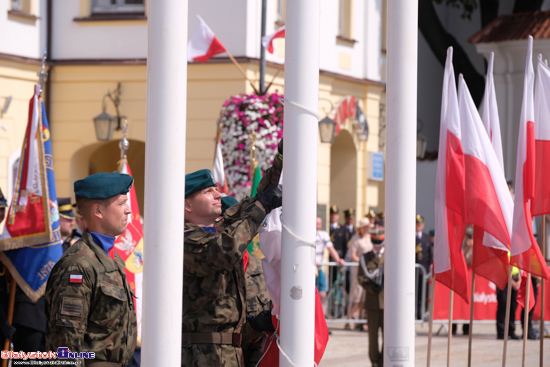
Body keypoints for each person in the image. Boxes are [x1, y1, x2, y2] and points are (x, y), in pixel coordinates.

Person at [182, 141, 282, 367]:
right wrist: (261, 206)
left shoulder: (221, 228)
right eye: (209, 192)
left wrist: (282, 161)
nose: (219, 195)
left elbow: (256, 201)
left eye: (216, 189)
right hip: (200, 355)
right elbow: (222, 250)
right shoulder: (183, 239)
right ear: (187, 205)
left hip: (231, 352)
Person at [45, 172, 137, 365]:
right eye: (121, 204)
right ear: (98, 211)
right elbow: (65, 345)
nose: (128, 210)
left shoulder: (113, 258)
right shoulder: (78, 265)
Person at [358, 235, 385, 367]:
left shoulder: (390, 255)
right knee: (372, 335)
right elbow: (361, 277)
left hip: (387, 302)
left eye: (380, 243)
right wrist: (371, 288)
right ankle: (375, 361)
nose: (378, 245)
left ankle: (384, 361)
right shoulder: (365, 257)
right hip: (372, 300)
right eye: (376, 242)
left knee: (389, 334)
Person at [346, 218, 373, 331]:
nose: (366, 229)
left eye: (367, 227)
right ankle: (348, 320)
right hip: (358, 270)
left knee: (364, 296)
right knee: (355, 295)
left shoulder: (369, 238)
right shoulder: (355, 239)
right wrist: (361, 262)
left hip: (368, 270)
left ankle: (360, 321)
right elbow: (353, 255)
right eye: (364, 227)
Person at [314, 217, 345, 312]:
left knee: (323, 294)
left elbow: (331, 249)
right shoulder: (307, 233)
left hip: (319, 269)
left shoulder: (323, 234)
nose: (318, 225)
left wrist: (338, 259)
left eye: (320, 223)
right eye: (316, 223)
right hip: (310, 269)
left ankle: (322, 314)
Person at [415, 214, 432, 320]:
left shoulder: (426, 238)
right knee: (413, 292)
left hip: (423, 269)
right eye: (417, 224)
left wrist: (429, 268)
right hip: (413, 269)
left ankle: (421, 313)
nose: (418, 226)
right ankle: (414, 312)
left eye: (420, 224)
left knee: (423, 293)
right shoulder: (410, 236)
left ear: (423, 225)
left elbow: (430, 254)